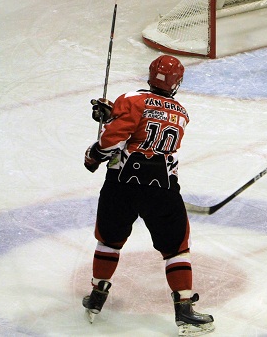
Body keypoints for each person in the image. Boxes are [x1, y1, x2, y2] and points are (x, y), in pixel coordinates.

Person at [83, 55, 214, 336]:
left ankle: (97, 294)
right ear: (177, 82)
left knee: (109, 239)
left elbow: (116, 137)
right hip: (162, 187)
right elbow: (148, 127)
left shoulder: (130, 97)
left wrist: (93, 154)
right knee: (176, 247)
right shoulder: (181, 113)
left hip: (122, 183)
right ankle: (184, 309)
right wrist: (113, 114)